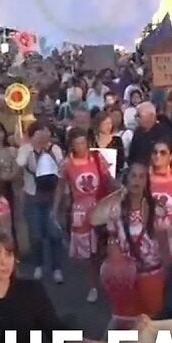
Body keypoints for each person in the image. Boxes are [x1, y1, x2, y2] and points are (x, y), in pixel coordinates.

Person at [102, 161, 171, 321]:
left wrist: (167, 272)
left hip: (152, 275)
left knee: (152, 322)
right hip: (126, 279)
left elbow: (164, 242)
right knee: (127, 321)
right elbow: (112, 238)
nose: (137, 181)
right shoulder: (116, 210)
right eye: (133, 176)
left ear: (146, 182)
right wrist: (117, 264)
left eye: (141, 177)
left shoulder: (157, 210)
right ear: (126, 180)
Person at [57, 128, 113, 303]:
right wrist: (55, 208)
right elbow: (61, 187)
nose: (81, 146)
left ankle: (109, 281)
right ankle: (93, 286)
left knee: (106, 248)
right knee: (89, 255)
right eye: (77, 143)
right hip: (81, 212)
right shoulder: (67, 164)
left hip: (101, 208)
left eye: (83, 142)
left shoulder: (97, 158)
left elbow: (108, 179)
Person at [16, 122, 67, 283]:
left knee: (54, 233)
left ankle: (57, 268)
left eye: (45, 131)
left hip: (52, 196)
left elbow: (62, 168)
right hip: (33, 195)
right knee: (36, 234)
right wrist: (30, 147)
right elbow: (19, 164)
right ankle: (38, 265)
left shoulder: (55, 149)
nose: (43, 135)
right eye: (39, 132)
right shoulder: (26, 149)